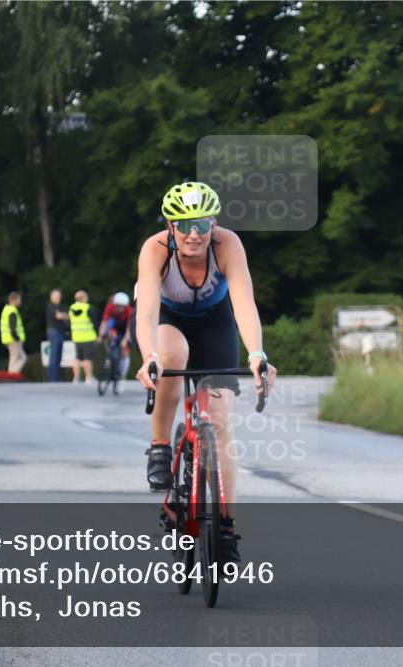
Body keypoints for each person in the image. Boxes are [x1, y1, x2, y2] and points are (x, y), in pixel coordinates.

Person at [133, 181, 277, 563]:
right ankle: (161, 448)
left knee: (220, 420)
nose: (194, 233)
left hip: (215, 323)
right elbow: (146, 310)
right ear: (170, 225)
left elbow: (244, 303)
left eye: (202, 223)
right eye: (184, 224)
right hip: (168, 321)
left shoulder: (227, 245)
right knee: (173, 353)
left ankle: (226, 528)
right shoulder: (155, 250)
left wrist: (257, 354)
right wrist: (149, 356)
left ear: (214, 222)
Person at [98, 291, 134, 381]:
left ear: (125, 306)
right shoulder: (110, 307)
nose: (119, 308)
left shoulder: (129, 310)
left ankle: (122, 375)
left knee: (125, 353)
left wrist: (125, 340)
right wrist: (100, 335)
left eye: (122, 306)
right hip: (115, 328)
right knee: (110, 324)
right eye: (117, 306)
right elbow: (104, 322)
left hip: (126, 329)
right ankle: (109, 357)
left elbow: (129, 327)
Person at [68, 290, 98, 383]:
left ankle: (76, 378)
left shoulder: (71, 308)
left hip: (76, 336)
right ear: (84, 298)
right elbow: (95, 323)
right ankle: (88, 377)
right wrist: (97, 334)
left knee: (77, 358)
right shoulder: (88, 308)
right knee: (87, 358)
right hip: (87, 336)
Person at [0, 292, 27, 374]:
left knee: (18, 357)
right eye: (19, 299)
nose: (20, 301)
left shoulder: (7, 310)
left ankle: (12, 374)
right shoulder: (12, 311)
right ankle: (12, 374)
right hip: (14, 339)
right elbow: (13, 327)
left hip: (8, 338)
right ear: (14, 300)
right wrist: (17, 337)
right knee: (18, 358)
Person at [46, 289, 69, 382]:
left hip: (60, 332)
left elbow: (67, 316)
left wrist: (63, 315)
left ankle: (57, 378)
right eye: (56, 296)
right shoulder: (51, 306)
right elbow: (59, 316)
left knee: (58, 356)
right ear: (51, 297)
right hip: (54, 332)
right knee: (54, 356)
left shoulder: (60, 306)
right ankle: (52, 379)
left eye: (59, 296)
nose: (58, 298)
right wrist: (63, 315)